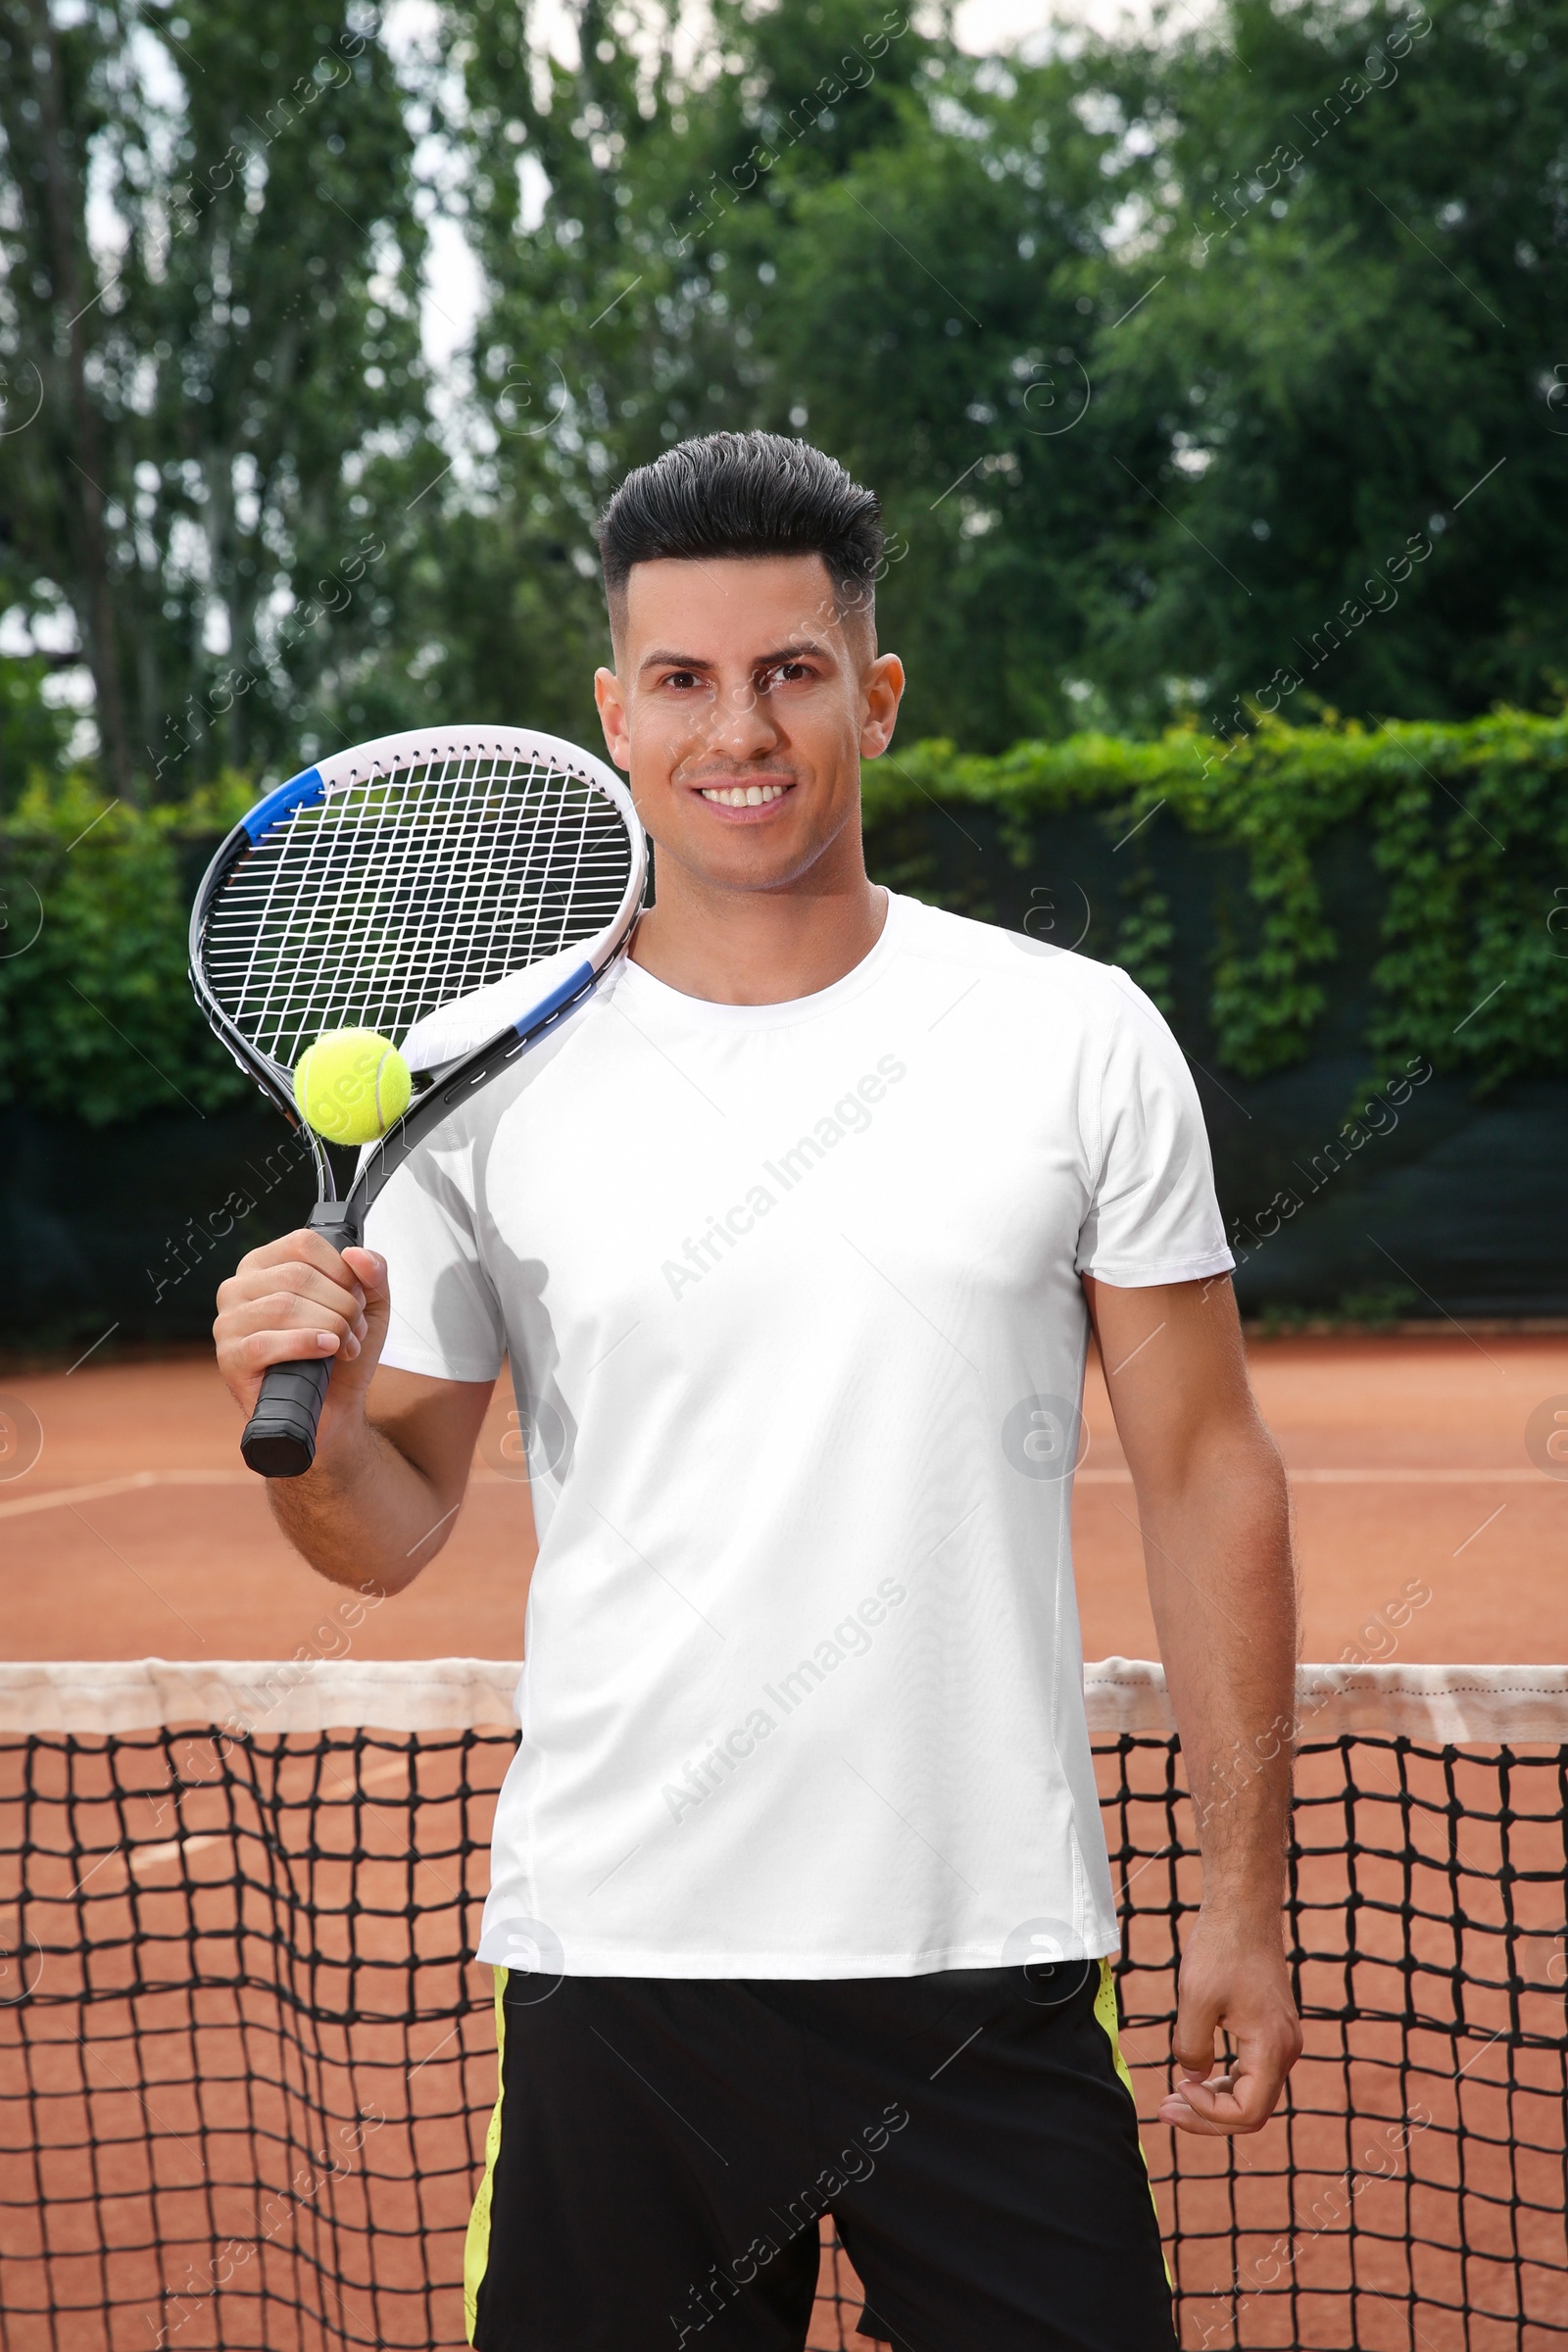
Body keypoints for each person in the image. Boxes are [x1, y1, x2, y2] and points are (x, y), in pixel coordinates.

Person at [213, 429, 1301, 2352]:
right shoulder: (477, 1074)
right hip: (614, 1973)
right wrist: (304, 1406)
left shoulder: (1068, 1039)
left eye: (793, 671)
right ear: (614, 714)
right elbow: (381, 1532)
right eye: (686, 679)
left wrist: (1241, 1898)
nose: (742, 727)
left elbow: (1205, 1467)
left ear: (873, 699)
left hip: (984, 1967)